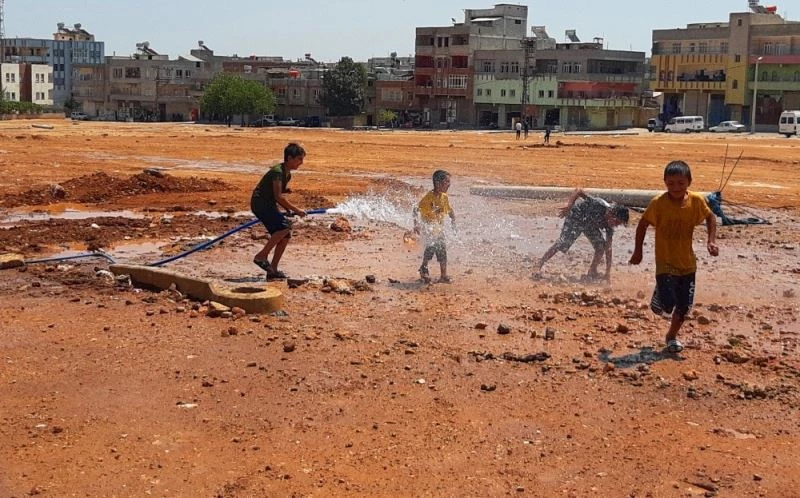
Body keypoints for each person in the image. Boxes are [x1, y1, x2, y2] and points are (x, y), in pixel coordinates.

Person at [629, 160, 719, 354]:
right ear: (665, 182)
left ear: (689, 182)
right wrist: (638, 251)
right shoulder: (658, 203)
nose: (675, 188)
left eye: (680, 183)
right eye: (670, 183)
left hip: (687, 264)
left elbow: (711, 217)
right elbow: (643, 224)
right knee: (667, 305)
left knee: (683, 307)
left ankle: (671, 336)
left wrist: (711, 241)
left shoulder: (696, 201)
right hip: (665, 263)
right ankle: (660, 294)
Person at [535, 188, 629, 282]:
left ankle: (592, 270)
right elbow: (579, 191)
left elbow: (608, 249)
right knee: (563, 243)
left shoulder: (610, 227)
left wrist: (607, 273)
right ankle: (539, 264)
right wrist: (569, 206)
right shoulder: (599, 204)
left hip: (590, 225)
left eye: (618, 224)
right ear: (610, 213)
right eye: (616, 222)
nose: (615, 225)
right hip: (576, 216)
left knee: (601, 246)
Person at [251, 143, 307, 279]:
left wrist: (288, 209)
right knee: (285, 228)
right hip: (260, 204)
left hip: (269, 204)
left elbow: (278, 195)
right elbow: (278, 196)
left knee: (285, 236)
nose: (301, 163)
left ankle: (273, 270)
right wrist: (297, 210)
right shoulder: (277, 172)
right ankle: (261, 256)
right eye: (299, 159)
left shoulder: (287, 175)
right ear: (289, 158)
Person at [414, 170, 456, 283]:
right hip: (428, 227)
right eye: (446, 182)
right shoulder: (429, 198)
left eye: (449, 182)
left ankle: (443, 275)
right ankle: (424, 268)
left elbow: (449, 210)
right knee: (432, 246)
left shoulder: (444, 197)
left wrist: (453, 220)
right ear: (438, 183)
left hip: (438, 227)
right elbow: (415, 209)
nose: (449, 184)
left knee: (442, 249)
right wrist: (416, 224)